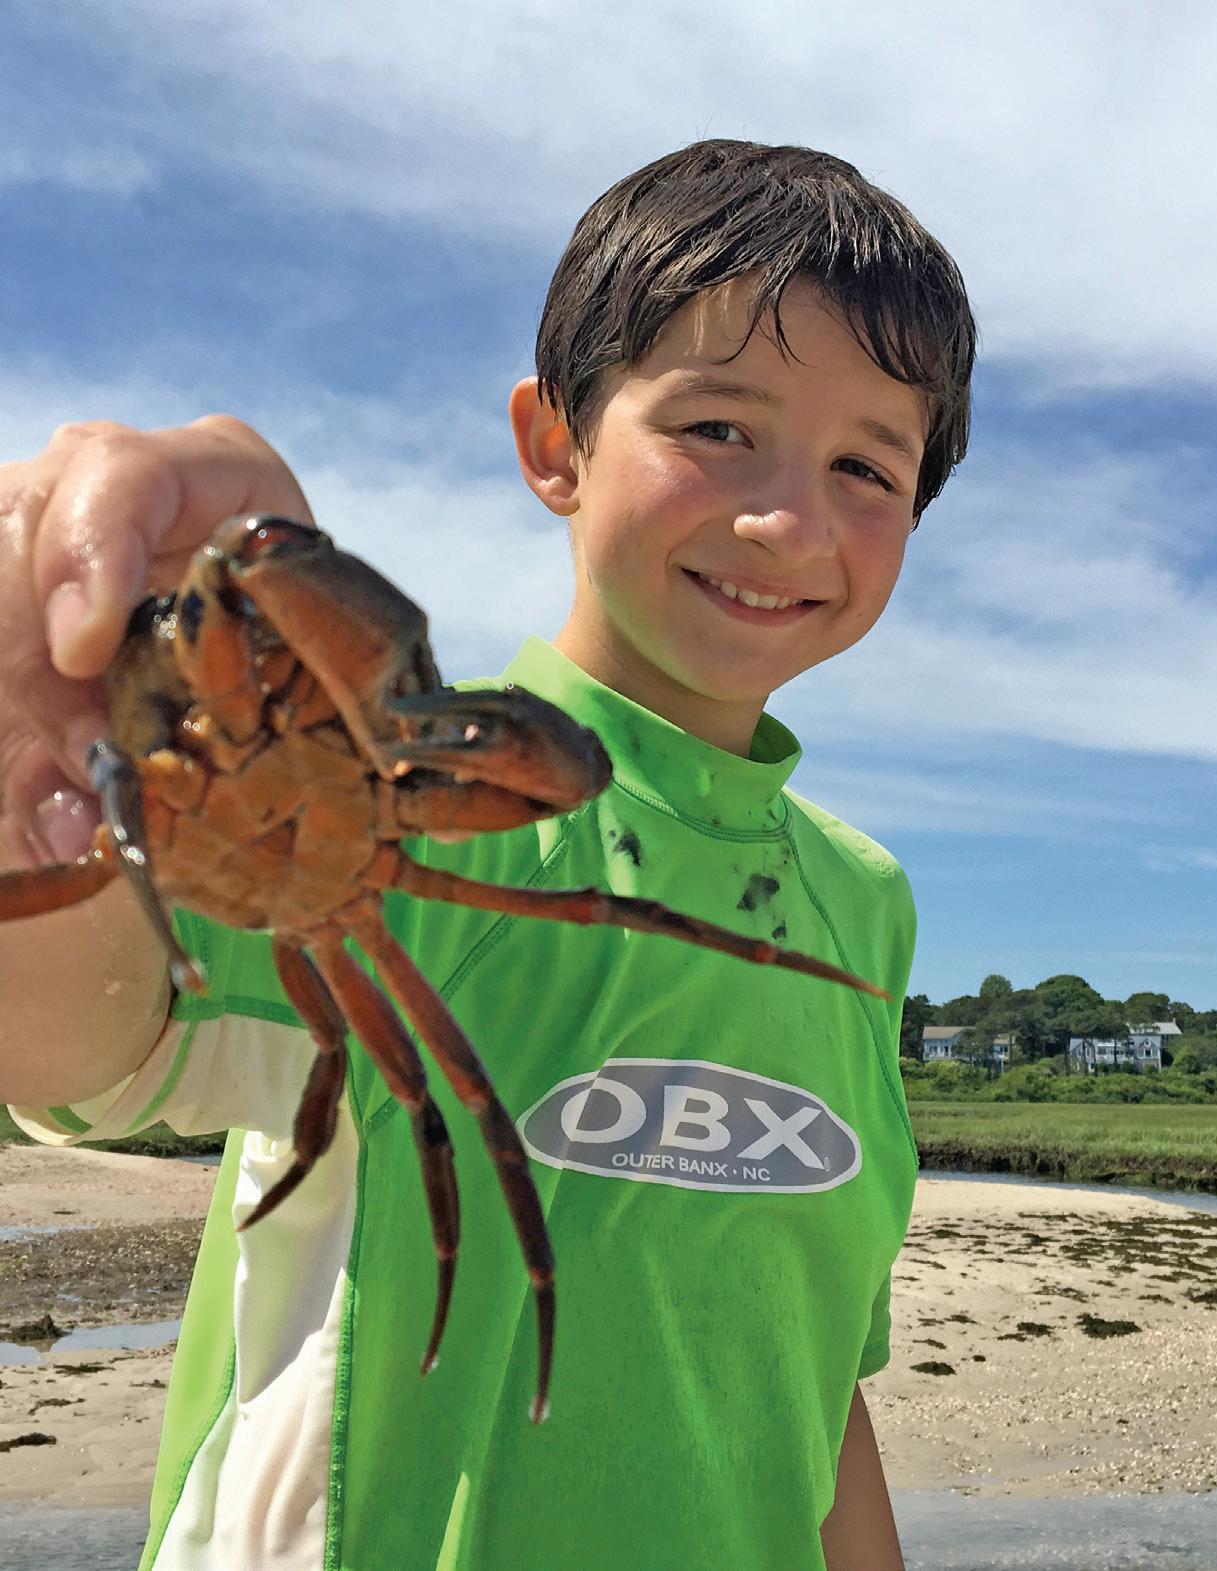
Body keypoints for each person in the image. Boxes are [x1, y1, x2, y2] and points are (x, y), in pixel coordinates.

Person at [0, 140, 975, 1570]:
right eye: (717, 427)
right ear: (554, 445)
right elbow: (66, 1034)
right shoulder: (385, 790)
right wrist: (40, 703)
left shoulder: (862, 903)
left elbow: (815, 1384)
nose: (785, 519)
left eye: (865, 467)